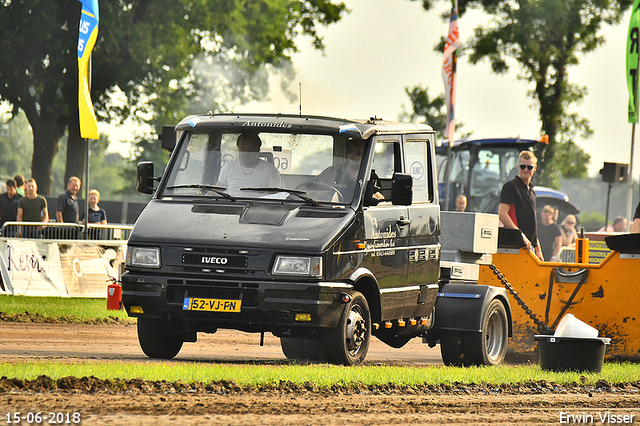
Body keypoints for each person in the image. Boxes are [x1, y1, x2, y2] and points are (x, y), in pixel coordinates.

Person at [498, 150, 543, 260]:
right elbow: (502, 214)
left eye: (529, 167)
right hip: (515, 246)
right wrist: (520, 235)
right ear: (518, 167)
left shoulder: (532, 192)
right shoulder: (511, 187)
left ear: (535, 168)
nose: (525, 170)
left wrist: (538, 250)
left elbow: (532, 224)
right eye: (523, 166)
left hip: (529, 248)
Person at [315, 139, 384, 205]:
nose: (353, 156)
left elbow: (380, 200)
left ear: (365, 157)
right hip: (329, 208)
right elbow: (313, 188)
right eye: (350, 151)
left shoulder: (370, 176)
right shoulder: (331, 172)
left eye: (358, 153)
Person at [216, 133, 281, 196]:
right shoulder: (228, 167)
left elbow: (275, 197)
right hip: (231, 205)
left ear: (257, 150)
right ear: (238, 149)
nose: (246, 153)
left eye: (250, 150)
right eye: (243, 149)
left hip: (260, 206)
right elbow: (216, 192)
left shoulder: (271, 171)